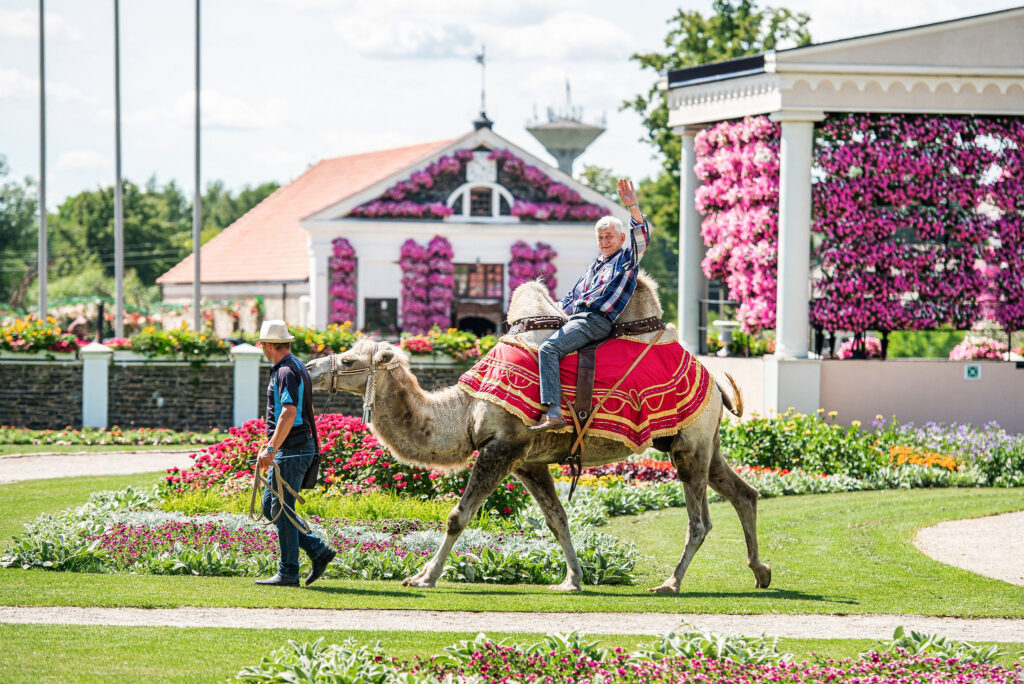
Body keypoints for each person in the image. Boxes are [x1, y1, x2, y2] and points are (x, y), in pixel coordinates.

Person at [530, 179, 651, 432]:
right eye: (600, 237)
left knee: (549, 349)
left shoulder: (627, 260)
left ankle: (553, 414)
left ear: (620, 238)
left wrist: (632, 207)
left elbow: (641, 238)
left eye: (609, 236)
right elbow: (569, 299)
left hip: (595, 321)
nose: (604, 241)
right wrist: (546, 313)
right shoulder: (593, 266)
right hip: (576, 318)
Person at [254, 319, 336, 586]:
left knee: (282, 510)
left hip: (292, 449)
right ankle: (316, 550)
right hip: (294, 448)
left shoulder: (285, 372)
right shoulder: (295, 365)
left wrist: (270, 447)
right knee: (271, 507)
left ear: (268, 345)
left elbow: (289, 412)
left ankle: (289, 571)